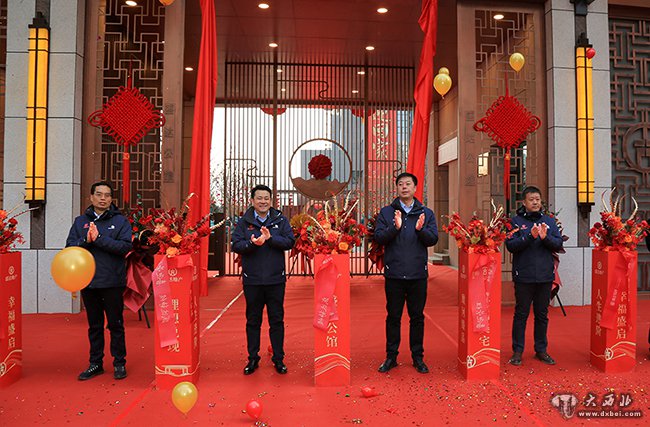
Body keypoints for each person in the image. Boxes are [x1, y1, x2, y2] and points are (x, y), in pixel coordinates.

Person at [66, 181, 133, 380]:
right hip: (89, 282)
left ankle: (119, 363)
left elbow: (125, 247)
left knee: (115, 324)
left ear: (111, 199)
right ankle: (95, 363)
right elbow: (70, 248)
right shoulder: (80, 222)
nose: (103, 198)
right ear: (91, 197)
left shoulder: (121, 222)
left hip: (112, 281)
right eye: (99, 194)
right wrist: (85, 241)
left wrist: (99, 239)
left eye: (107, 195)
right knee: (94, 326)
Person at [373, 172, 438, 374]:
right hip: (394, 274)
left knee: (417, 317)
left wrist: (420, 230)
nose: (404, 187)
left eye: (408, 184)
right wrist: (395, 227)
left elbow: (433, 239)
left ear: (415, 188)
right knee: (393, 317)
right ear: (397, 188)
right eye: (400, 184)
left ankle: (418, 357)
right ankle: (391, 357)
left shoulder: (426, 213)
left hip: (417, 274)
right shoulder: (387, 212)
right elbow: (379, 237)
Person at [231, 184, 295, 375]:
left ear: (271, 200)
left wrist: (270, 239)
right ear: (252, 200)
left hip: (275, 280)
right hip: (252, 280)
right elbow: (236, 244)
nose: (263, 201)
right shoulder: (244, 222)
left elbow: (290, 241)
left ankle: (279, 359)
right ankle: (253, 358)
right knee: (253, 320)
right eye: (259, 198)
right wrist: (252, 243)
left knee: (277, 320)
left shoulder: (280, 220)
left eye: (266, 198)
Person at [505, 186, 564, 366]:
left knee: (542, 315)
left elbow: (558, 244)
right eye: (531, 199)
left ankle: (541, 350)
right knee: (521, 314)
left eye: (537, 199)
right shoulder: (515, 222)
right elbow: (511, 246)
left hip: (545, 276)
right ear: (524, 202)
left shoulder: (549, 221)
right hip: (524, 275)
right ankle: (517, 351)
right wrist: (529, 237)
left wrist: (545, 238)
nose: (535, 202)